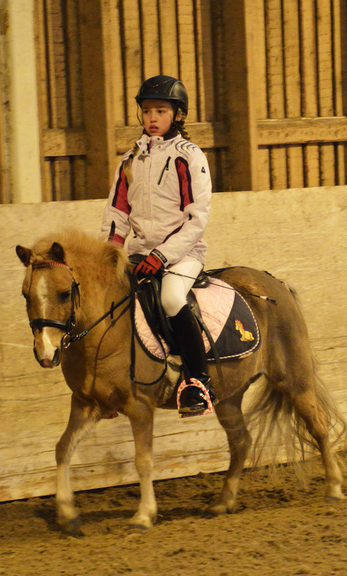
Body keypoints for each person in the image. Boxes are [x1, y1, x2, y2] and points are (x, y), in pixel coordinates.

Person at [100, 75, 216, 416]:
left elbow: (197, 217)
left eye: (161, 111)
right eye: (147, 111)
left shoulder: (188, 157)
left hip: (182, 253)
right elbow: (117, 213)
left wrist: (163, 255)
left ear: (177, 115)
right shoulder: (130, 159)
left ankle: (198, 382)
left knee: (171, 298)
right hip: (138, 253)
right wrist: (110, 254)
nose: (152, 118)